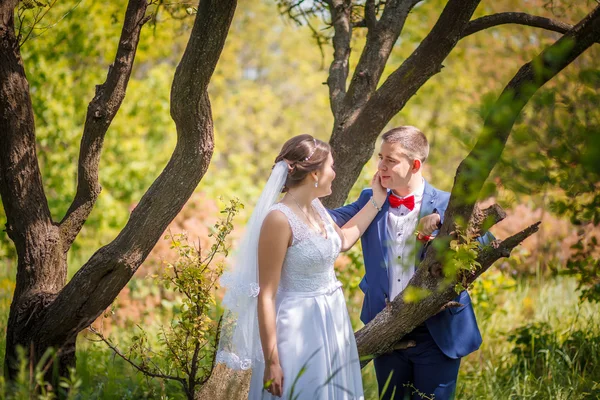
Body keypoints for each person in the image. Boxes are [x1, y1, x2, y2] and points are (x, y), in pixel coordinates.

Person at [329, 126, 495, 400]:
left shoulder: (447, 203)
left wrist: (444, 222)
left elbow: (486, 242)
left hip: (438, 330)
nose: (381, 166)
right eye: (380, 157)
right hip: (386, 326)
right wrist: (293, 200)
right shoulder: (370, 199)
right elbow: (326, 220)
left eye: (390, 160)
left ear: (415, 165)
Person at [216, 134, 387, 399]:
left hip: (331, 318)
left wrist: (376, 200)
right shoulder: (278, 219)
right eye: (331, 166)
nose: (335, 172)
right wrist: (273, 361)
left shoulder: (315, 207)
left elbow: (343, 240)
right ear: (315, 174)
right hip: (297, 326)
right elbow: (266, 295)